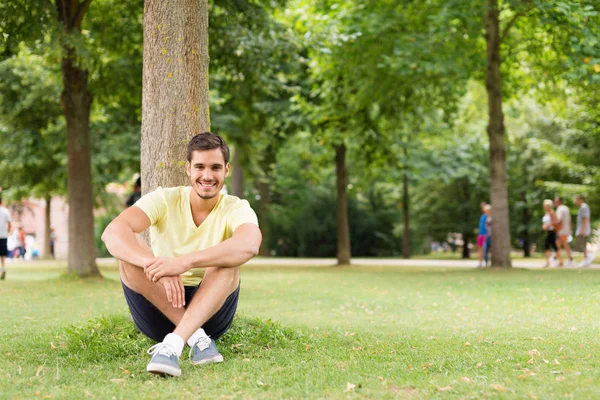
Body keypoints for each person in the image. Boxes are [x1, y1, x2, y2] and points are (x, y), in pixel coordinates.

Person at [102, 132, 262, 377]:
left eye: (215, 168)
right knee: (128, 248)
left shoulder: (236, 208)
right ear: (188, 169)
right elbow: (112, 233)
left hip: (211, 311)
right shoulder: (164, 199)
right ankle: (197, 338)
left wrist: (182, 263)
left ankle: (173, 346)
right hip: (159, 304)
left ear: (226, 169)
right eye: (199, 167)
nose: (207, 176)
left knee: (228, 260)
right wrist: (156, 267)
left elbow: (249, 245)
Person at [574, 195, 595, 267]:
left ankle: (589, 256)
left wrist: (583, 230)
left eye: (576, 200)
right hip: (581, 229)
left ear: (581, 200)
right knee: (581, 245)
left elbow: (586, 218)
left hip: (583, 230)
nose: (575, 201)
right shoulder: (582, 207)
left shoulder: (584, 207)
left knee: (580, 245)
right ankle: (586, 259)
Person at [542, 199, 562, 268]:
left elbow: (555, 221)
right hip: (548, 231)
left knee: (548, 245)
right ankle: (560, 261)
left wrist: (548, 225)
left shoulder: (552, 212)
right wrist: (544, 226)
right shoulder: (546, 213)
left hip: (552, 231)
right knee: (553, 246)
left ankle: (549, 262)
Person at [554, 196, 574, 267]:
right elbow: (569, 220)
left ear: (559, 202)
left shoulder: (560, 209)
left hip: (561, 229)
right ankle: (557, 258)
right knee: (561, 243)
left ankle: (568, 259)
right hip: (566, 229)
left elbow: (559, 220)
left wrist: (555, 228)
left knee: (560, 244)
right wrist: (570, 229)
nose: (554, 203)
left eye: (556, 201)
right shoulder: (566, 208)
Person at [0, 197, 12, 280]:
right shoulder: (5, 211)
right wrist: (8, 231)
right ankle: (3, 268)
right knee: (3, 255)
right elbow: (9, 223)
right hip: (3, 235)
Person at [477, 202, 488, 268]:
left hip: (485, 235)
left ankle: (486, 262)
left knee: (485, 249)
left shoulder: (488, 217)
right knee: (480, 249)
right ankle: (480, 262)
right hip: (481, 235)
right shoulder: (482, 216)